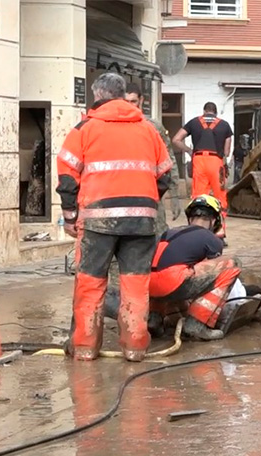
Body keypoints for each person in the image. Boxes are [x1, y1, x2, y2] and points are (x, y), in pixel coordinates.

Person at [57, 72, 173, 362]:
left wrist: (70, 216)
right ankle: (135, 349)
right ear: (123, 96)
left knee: (91, 282)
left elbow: (67, 177)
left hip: (98, 220)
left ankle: (84, 348)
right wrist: (146, 202)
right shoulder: (148, 130)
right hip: (141, 219)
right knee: (135, 284)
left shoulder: (84, 129)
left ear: (98, 95)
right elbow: (165, 175)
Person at [103, 195, 261, 341]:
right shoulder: (211, 239)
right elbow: (211, 281)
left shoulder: (169, 233)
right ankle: (197, 323)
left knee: (165, 270)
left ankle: (154, 319)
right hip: (172, 281)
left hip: (149, 284)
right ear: (215, 220)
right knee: (231, 265)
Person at [124, 83, 182, 235]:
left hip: (152, 193)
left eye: (133, 102)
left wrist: (174, 195)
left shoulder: (153, 127)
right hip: (122, 194)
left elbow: (169, 162)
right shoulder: (112, 127)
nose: (130, 106)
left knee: (157, 236)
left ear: (141, 101)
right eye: (126, 102)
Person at [172, 102, 233, 244]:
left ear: (204, 111)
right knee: (220, 200)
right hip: (216, 163)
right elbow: (226, 151)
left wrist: (188, 150)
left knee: (199, 198)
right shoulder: (224, 125)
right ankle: (219, 234)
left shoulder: (194, 122)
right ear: (215, 112)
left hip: (199, 161)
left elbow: (176, 139)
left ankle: (197, 234)